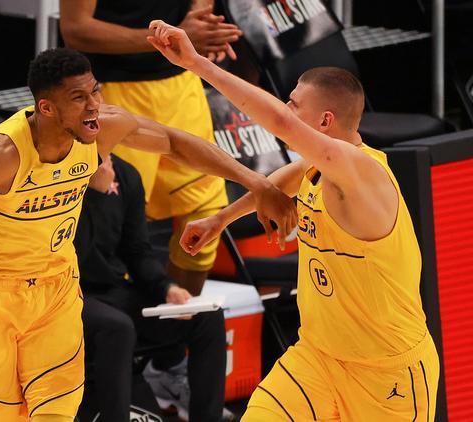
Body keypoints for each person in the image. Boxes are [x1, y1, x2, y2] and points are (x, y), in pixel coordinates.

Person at [0, 48, 296, 422]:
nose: (93, 105)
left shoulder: (103, 128)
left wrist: (257, 183)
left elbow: (174, 142)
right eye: (78, 98)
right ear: (47, 108)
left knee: (56, 413)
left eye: (95, 91)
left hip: (56, 285)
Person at [147, 21, 440, 421]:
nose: (286, 109)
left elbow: (279, 123)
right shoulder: (316, 167)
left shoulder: (361, 171)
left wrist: (197, 64)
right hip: (317, 358)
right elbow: (279, 182)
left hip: (385, 371)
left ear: (324, 121)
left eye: (294, 103)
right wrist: (221, 219)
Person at [60, 0, 243, 296]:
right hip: (116, 90)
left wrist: (200, 24)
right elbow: (75, 29)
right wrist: (169, 38)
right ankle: (121, 321)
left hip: (181, 83)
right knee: (117, 230)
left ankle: (182, 317)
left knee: (205, 219)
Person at [75, 154, 227, 422]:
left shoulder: (125, 174)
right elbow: (69, 254)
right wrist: (95, 195)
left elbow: (137, 251)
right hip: (67, 294)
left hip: (112, 291)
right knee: (118, 327)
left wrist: (166, 287)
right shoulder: (55, 174)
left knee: (207, 317)